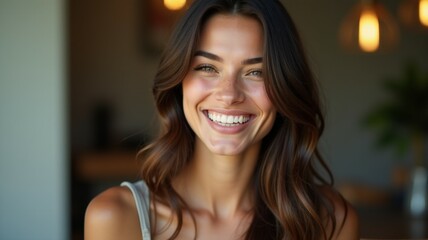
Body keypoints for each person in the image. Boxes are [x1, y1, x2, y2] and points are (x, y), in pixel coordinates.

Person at [85, 0, 359, 239]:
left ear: (285, 88)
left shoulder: (329, 221)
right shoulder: (116, 218)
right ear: (178, 82)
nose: (229, 94)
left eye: (256, 72)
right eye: (207, 67)